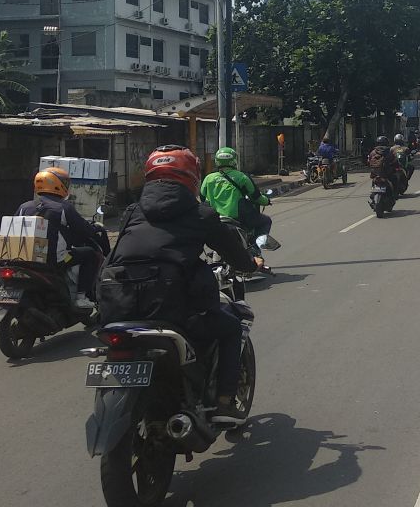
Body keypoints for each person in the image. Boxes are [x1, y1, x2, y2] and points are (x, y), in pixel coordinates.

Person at [100, 146, 259, 425]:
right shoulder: (201, 214)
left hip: (121, 306)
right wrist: (250, 264)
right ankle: (223, 401)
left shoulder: (132, 212)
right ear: (192, 178)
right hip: (177, 309)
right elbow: (234, 253)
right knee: (231, 327)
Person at [16, 166, 107, 309]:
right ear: (57, 185)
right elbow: (83, 229)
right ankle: (81, 297)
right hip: (56, 259)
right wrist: (95, 228)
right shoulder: (63, 208)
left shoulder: (24, 207)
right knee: (91, 254)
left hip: (23, 259)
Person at [200, 147, 272, 239]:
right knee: (266, 221)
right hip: (238, 218)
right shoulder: (242, 177)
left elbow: (202, 198)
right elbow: (256, 197)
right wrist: (267, 201)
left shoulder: (208, 178)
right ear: (234, 160)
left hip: (215, 219)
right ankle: (255, 248)